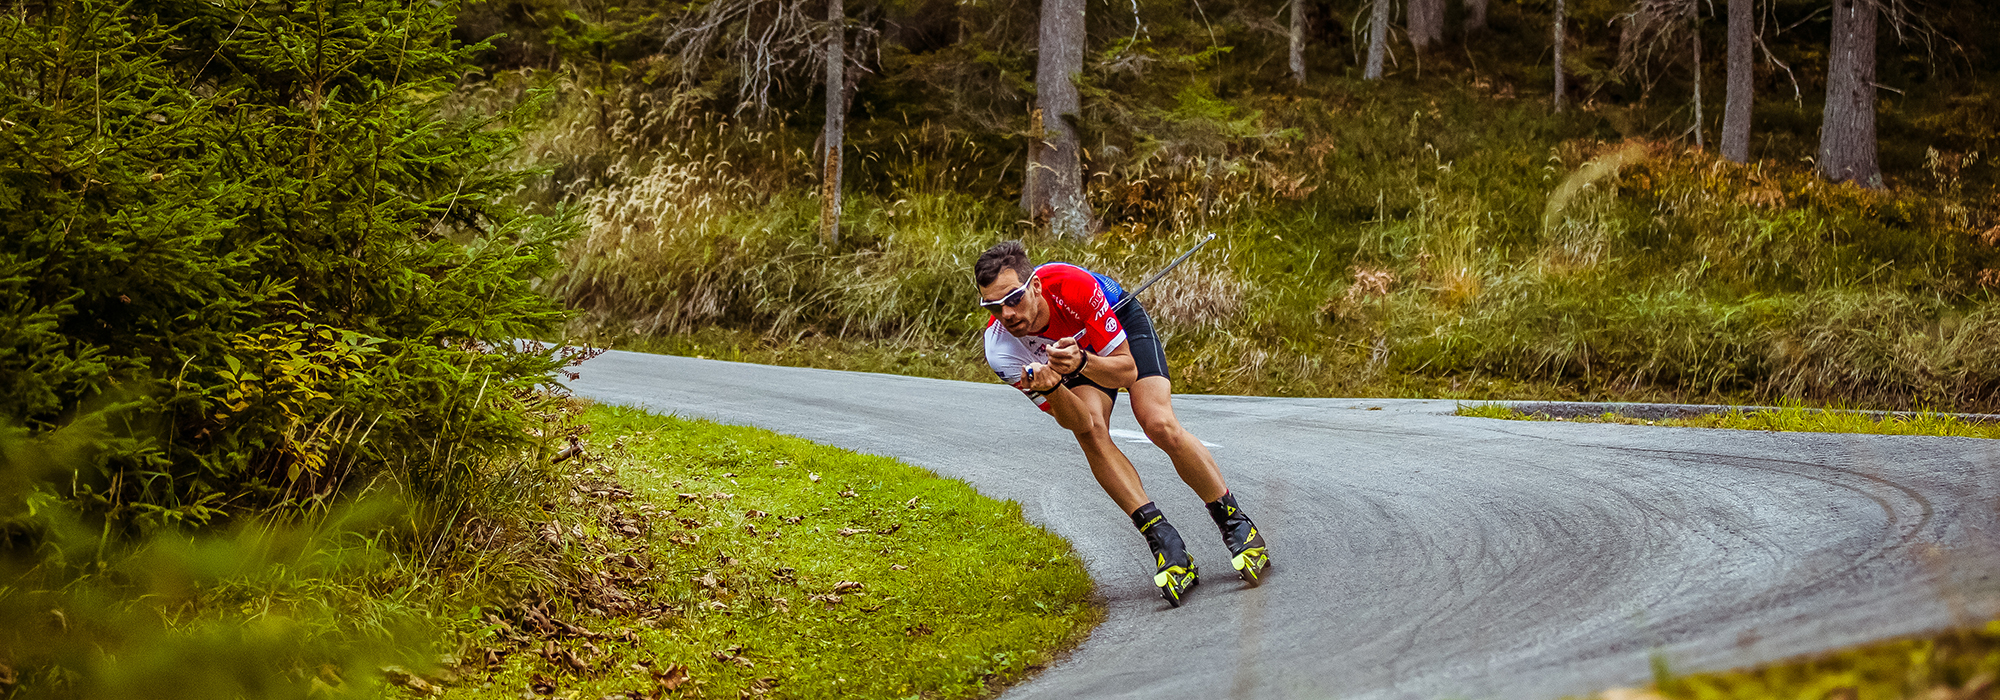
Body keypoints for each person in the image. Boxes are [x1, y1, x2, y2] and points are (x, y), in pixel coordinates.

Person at [973, 240, 1269, 606]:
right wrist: (1053, 388)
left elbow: (1127, 371)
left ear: (1034, 286)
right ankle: (1165, 542)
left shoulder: (1072, 285)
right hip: (1069, 360)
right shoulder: (1001, 349)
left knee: (1157, 421)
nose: (1006, 313)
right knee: (1092, 435)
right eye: (993, 306)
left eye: (1013, 299)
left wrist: (1081, 362)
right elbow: (1078, 421)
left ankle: (1235, 523)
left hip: (1115, 332)